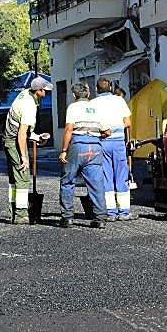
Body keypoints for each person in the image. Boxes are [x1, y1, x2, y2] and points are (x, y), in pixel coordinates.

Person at [2, 76, 52, 224]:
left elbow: (23, 130)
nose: (46, 93)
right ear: (39, 91)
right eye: (45, 90)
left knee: (14, 179)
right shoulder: (29, 105)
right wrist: (24, 156)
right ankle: (21, 214)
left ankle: (12, 211)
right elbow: (22, 133)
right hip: (14, 141)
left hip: (9, 139)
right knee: (23, 176)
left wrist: (37, 137)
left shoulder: (25, 94)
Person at [59, 82, 109, 229]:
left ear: (74, 95)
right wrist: (95, 136)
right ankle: (100, 218)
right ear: (88, 93)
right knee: (96, 183)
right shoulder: (97, 108)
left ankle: (68, 217)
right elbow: (107, 132)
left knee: (68, 180)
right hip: (95, 148)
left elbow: (69, 129)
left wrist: (64, 150)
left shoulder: (73, 107)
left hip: (78, 146)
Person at [93, 77, 134, 221]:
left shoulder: (93, 103)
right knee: (121, 175)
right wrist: (116, 127)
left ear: (96, 89)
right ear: (110, 87)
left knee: (106, 176)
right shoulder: (119, 100)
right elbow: (128, 122)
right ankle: (124, 212)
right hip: (118, 143)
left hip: (102, 141)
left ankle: (110, 212)